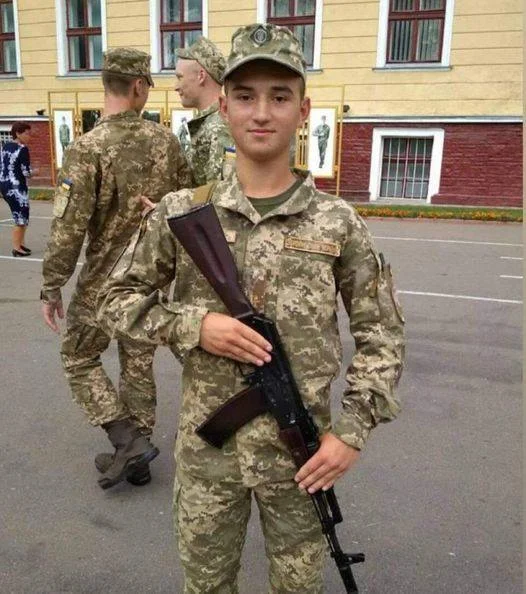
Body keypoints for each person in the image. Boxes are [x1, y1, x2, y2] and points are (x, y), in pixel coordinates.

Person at [98, 24, 405, 591]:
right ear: (224, 104)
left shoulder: (337, 222)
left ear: (303, 110)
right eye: (245, 96)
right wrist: (196, 325)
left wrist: (352, 432)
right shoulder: (180, 213)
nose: (261, 113)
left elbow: (382, 336)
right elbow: (114, 300)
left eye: (279, 96)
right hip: (207, 458)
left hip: (302, 461)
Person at [40, 47, 192, 490]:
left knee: (78, 356)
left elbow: (69, 228)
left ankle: (127, 442)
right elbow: (188, 204)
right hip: (151, 276)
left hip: (104, 279)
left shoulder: (87, 148)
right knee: (137, 362)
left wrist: (52, 286)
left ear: (106, 84)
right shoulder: (166, 142)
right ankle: (137, 458)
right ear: (139, 86)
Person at [175, 35, 235, 185]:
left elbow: (217, 193)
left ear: (201, 76)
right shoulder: (209, 124)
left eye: (179, 77)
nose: (176, 87)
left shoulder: (218, 127)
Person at [0, 122, 36, 257]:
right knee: (21, 218)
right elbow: (26, 172)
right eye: (27, 133)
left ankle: (20, 244)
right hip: (16, 187)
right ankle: (16, 248)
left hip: (4, 184)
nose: (29, 136)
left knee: (21, 216)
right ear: (18, 134)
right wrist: (36, 172)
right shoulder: (22, 149)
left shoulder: (5, 146)